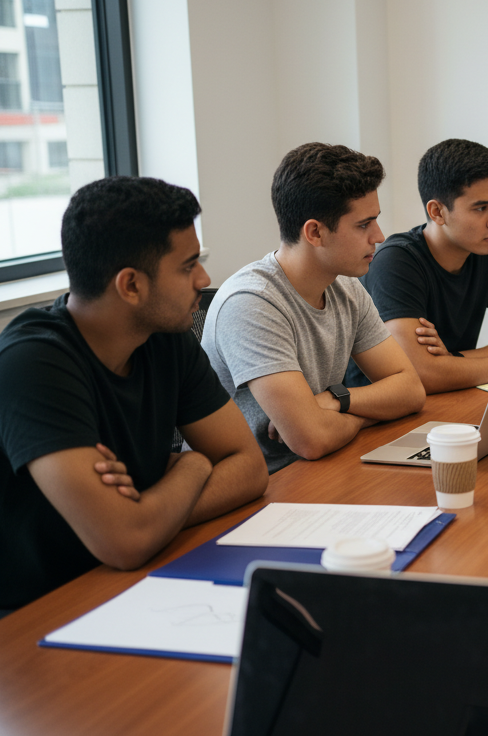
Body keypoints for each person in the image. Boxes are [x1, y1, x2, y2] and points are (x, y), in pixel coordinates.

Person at [0, 177, 268, 612]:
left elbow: (250, 469)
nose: (204, 277)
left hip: (129, 582)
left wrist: (152, 508)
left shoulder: (163, 334)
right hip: (37, 615)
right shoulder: (32, 364)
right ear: (130, 286)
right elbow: (126, 542)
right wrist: (196, 465)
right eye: (187, 266)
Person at [203, 143, 425, 474]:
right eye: (364, 224)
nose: (378, 236)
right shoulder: (251, 304)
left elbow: (410, 390)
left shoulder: (346, 286)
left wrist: (336, 401)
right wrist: (360, 413)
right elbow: (312, 440)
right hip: (260, 487)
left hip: (321, 467)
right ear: (315, 232)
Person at [347, 139, 488, 393]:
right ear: (437, 212)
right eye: (481, 208)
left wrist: (451, 360)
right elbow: (422, 375)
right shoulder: (395, 261)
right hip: (380, 415)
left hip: (454, 397)